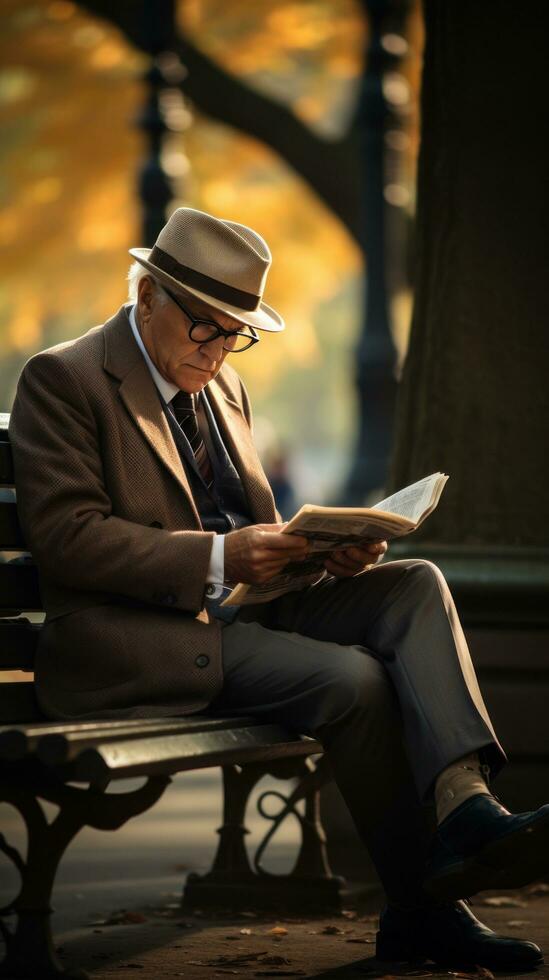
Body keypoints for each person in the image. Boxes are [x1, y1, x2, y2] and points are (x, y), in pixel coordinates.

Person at [9, 207, 549, 970]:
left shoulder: (222, 383)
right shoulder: (64, 379)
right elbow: (69, 540)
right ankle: (423, 911)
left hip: (244, 612)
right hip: (134, 641)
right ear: (149, 297)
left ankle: (466, 808)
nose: (221, 348)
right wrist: (221, 557)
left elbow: (249, 526)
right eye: (206, 327)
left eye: (236, 331)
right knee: (353, 679)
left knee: (413, 585)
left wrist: (320, 555)